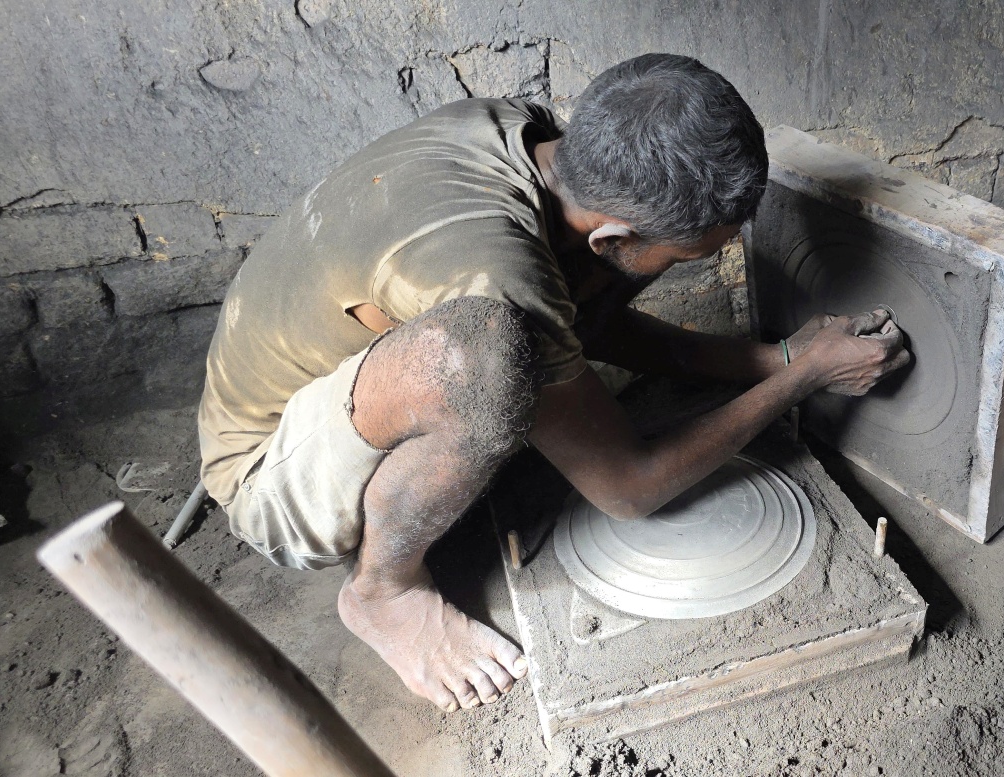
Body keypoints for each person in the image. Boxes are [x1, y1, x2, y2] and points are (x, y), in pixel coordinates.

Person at [198, 53, 909, 713]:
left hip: (363, 373)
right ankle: (383, 588)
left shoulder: (526, 134)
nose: (692, 262)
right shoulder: (496, 276)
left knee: (521, 331)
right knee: (481, 362)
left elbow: (572, 317)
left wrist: (775, 357)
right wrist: (806, 377)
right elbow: (629, 488)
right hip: (272, 472)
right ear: (612, 235)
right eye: (686, 256)